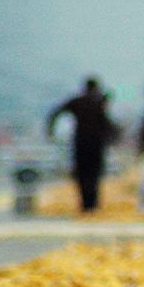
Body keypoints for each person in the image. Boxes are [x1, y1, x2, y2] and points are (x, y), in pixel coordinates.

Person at [46, 76, 116, 212]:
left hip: (81, 142)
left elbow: (56, 112)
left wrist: (50, 130)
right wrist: (113, 137)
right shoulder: (99, 102)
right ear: (96, 88)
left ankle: (85, 204)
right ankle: (93, 204)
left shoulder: (78, 101)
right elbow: (107, 123)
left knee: (82, 174)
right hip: (96, 144)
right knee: (94, 175)